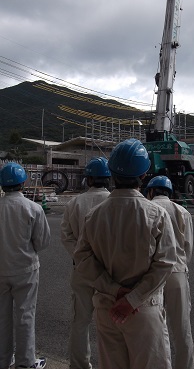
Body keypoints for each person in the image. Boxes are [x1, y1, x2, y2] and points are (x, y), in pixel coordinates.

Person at [74, 138, 177, 369]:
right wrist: (131, 299)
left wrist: (114, 290)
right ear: (144, 175)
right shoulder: (157, 215)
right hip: (143, 309)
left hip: (107, 308)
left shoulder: (94, 216)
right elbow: (165, 263)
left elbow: (82, 258)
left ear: (112, 173)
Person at [61, 157, 111, 369]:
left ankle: (80, 365)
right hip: (110, 273)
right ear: (109, 178)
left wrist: (82, 259)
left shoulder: (75, 203)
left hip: (81, 271)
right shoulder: (114, 202)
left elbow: (66, 235)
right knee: (110, 325)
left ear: (88, 179)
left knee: (80, 322)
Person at [0, 162, 50, 369]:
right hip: (25, 271)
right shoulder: (33, 208)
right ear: (23, 182)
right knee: (25, 316)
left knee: (2, 318)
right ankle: (25, 363)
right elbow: (42, 242)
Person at [146, 175, 194, 369]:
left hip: (154, 274)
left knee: (157, 328)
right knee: (182, 328)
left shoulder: (148, 210)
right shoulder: (183, 212)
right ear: (169, 192)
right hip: (177, 272)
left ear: (151, 191)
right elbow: (187, 246)